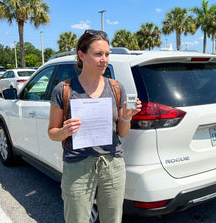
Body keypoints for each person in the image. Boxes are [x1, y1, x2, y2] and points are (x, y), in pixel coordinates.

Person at [48, 29, 141, 223]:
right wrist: (64, 131)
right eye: (98, 54)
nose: (104, 59)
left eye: (107, 54)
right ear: (81, 55)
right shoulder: (64, 89)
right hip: (78, 166)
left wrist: (126, 117)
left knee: (113, 220)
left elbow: (122, 133)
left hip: (112, 164)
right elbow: (52, 133)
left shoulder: (116, 88)